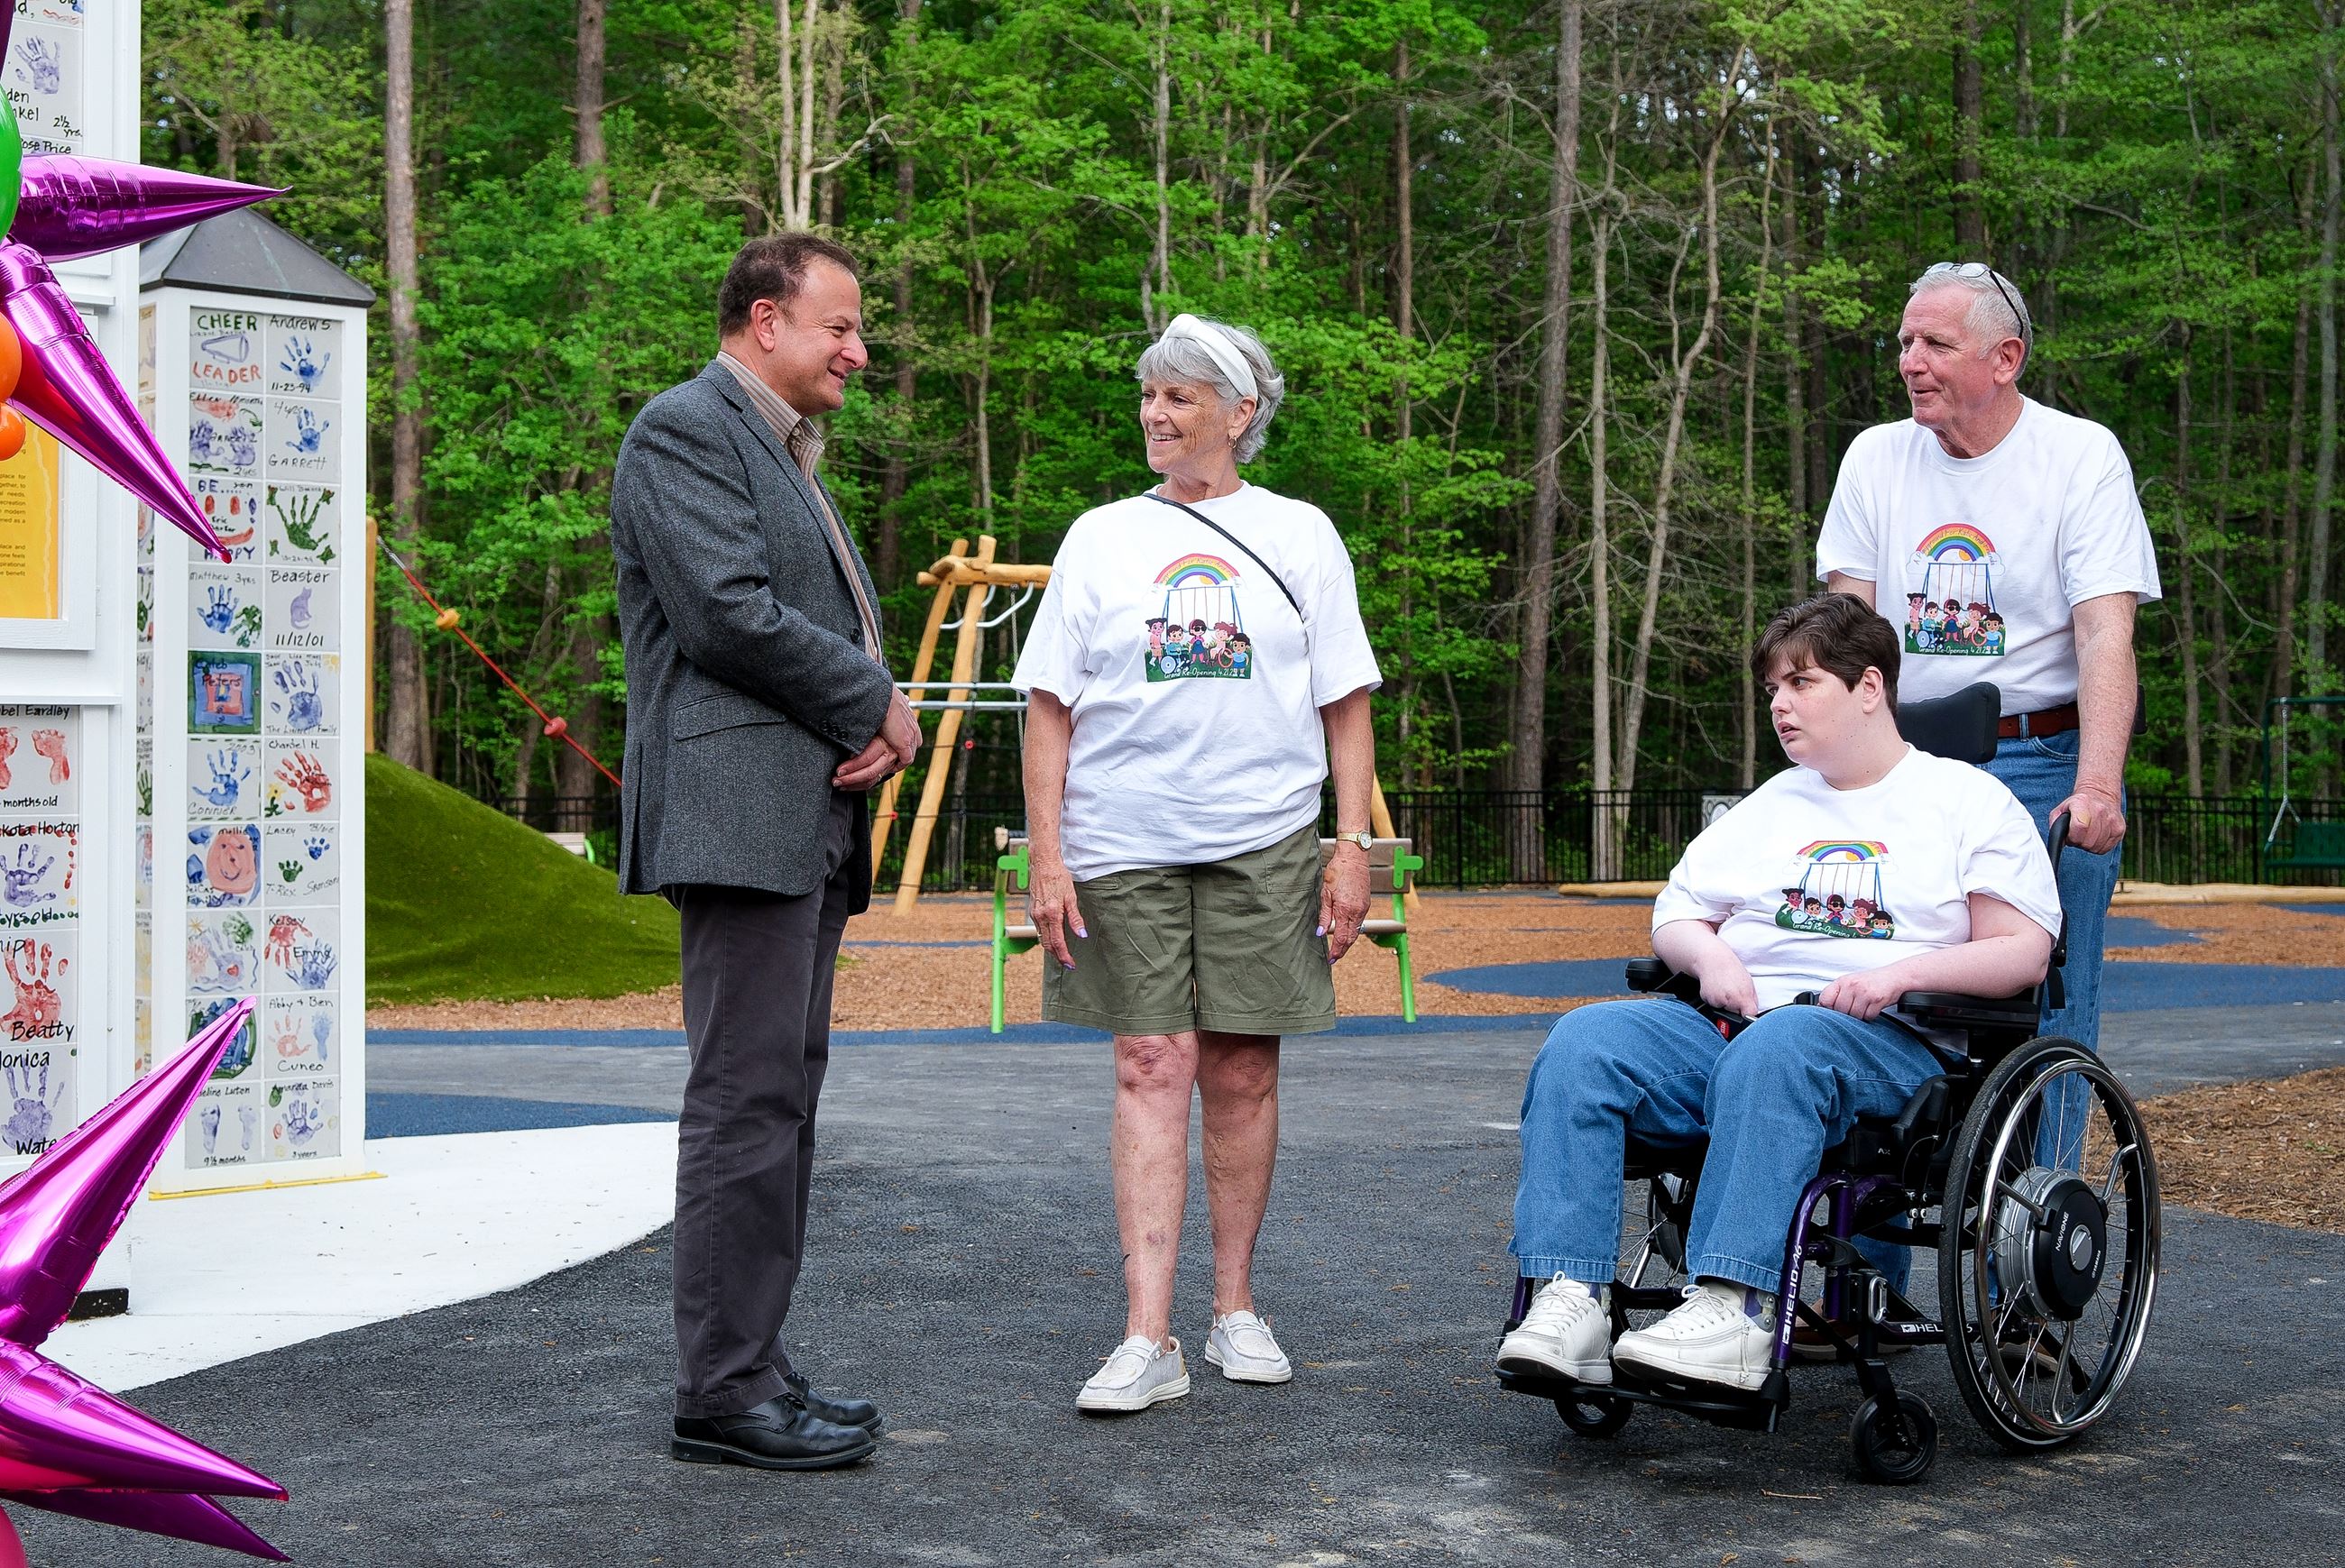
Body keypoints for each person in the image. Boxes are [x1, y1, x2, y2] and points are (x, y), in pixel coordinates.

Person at [1497, 593, 2060, 1394]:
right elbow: (1676, 911)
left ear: (1870, 686)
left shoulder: (1968, 802)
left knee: (1781, 1046)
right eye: (1771, 689)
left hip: (1889, 1045)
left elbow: (2023, 952)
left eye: (1800, 683)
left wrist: (1900, 974)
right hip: (1737, 1025)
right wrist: (1710, 955)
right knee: (1586, 1042)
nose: (1780, 705)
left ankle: (1736, 1305)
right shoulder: (1773, 802)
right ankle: (1572, 1298)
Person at [1013, 313, 1383, 1415]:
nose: (1154, 415)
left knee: (1240, 1067)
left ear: (1239, 411)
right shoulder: (1099, 537)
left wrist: (1348, 846)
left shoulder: (1302, 533)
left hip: (1262, 836)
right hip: (1120, 837)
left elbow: (1345, 703)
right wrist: (1048, 854)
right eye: (1147, 395)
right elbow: (1047, 707)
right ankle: (1145, 1333)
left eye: (1178, 397)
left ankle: (1233, 1308)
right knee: (1147, 1063)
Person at [610, 234, 922, 1471]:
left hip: (796, 818)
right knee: (746, 1101)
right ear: (762, 321)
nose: (857, 350)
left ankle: (756, 1361)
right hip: (739, 819)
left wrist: (862, 710)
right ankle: (723, 1388)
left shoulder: (782, 447)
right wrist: (873, 701)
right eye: (839, 326)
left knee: (782, 1099)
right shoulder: (683, 430)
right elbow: (726, 610)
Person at [1818, 261, 2158, 1060]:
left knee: (2046, 1002)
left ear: (2004, 359)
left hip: (2041, 759)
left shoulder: (2081, 457)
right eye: (1904, 341)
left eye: (1935, 342)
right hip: (1905, 759)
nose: (1910, 360)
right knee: (1881, 968)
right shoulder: (1874, 458)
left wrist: (2097, 788)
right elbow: (1848, 637)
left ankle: (2038, 1184)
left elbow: (2105, 634)